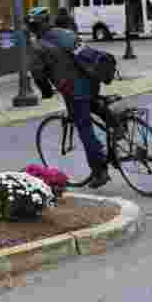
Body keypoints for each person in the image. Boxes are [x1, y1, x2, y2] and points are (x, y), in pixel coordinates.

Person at [26, 14, 115, 189]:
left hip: (73, 89)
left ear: (34, 28)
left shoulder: (38, 46)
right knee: (91, 102)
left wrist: (46, 92)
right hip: (92, 80)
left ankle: (99, 171)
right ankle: (116, 124)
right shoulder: (66, 33)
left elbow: (38, 73)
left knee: (84, 128)